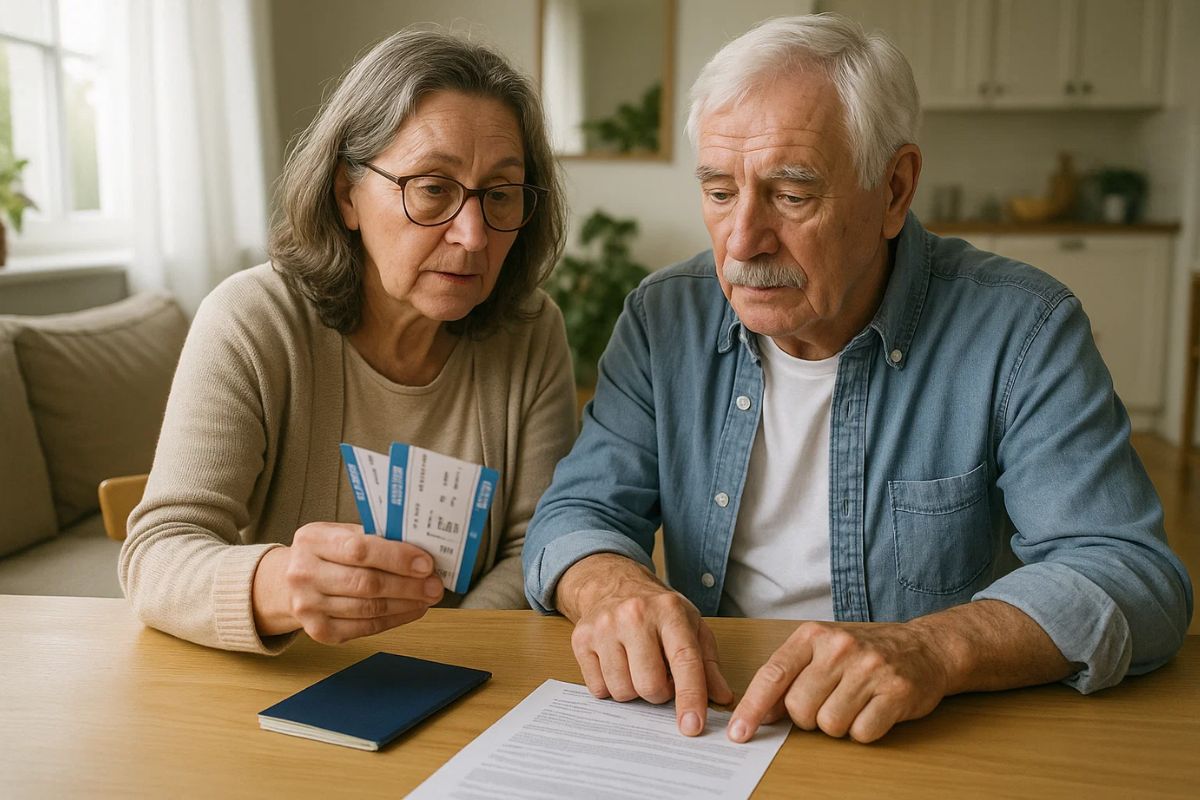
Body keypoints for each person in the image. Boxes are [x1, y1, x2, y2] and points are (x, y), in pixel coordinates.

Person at [523, 14, 1192, 744]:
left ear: (895, 190)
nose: (742, 241)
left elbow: (1130, 574)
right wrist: (613, 588)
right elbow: (577, 512)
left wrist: (934, 648)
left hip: (920, 734)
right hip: (714, 723)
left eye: (791, 195)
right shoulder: (664, 318)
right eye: (719, 192)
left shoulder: (1022, 328)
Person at [121, 30, 576, 654]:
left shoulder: (530, 330)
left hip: (464, 675)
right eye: (433, 189)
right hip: (288, 679)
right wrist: (279, 583)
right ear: (347, 196)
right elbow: (157, 555)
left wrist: (433, 657)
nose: (473, 235)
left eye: (499, 195)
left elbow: (535, 545)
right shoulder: (253, 319)